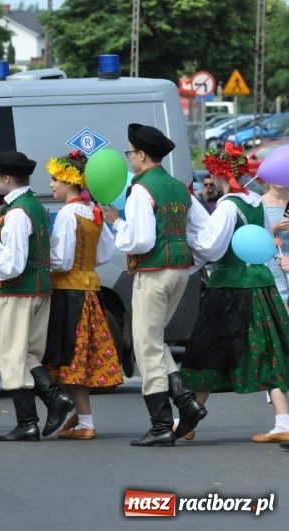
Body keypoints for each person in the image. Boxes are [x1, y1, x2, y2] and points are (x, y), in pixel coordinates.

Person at [100, 124, 210, 447]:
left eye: (130, 152)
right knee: (154, 339)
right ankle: (186, 401)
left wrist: (116, 224)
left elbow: (142, 240)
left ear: (142, 155)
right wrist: (190, 258)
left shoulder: (141, 189)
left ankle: (161, 423)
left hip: (154, 272)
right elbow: (204, 230)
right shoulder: (179, 187)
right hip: (179, 271)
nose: (129, 158)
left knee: (146, 346)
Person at [0, 150, 74, 442]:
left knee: (11, 355)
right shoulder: (35, 206)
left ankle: (28, 422)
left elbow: (12, 264)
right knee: (28, 354)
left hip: (18, 293)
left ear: (8, 177)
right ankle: (54, 399)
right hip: (39, 291)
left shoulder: (16, 213)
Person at [181, 144, 289, 443]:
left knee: (209, 348)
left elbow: (211, 248)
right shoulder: (255, 201)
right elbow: (265, 239)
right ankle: (282, 420)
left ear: (219, 175)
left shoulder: (228, 205)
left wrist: (189, 239)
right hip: (261, 282)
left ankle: (189, 419)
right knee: (266, 348)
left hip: (230, 286)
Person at [42, 150, 122, 439]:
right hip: (90, 290)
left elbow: (62, 260)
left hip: (68, 292)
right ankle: (82, 418)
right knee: (80, 356)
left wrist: (40, 256)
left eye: (55, 179)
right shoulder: (93, 211)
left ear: (69, 181)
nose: (51, 185)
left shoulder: (67, 213)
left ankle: (86, 422)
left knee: (69, 357)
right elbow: (105, 253)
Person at [261, 182, 289, 312]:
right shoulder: (260, 203)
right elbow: (255, 235)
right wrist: (273, 228)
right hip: (273, 257)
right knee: (281, 295)